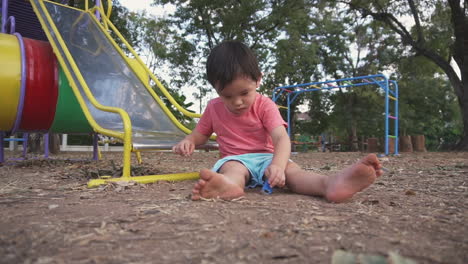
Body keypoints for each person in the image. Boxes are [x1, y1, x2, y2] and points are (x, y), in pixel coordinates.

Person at [172, 41, 383, 203]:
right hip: (235, 159)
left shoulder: (265, 105)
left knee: (294, 174)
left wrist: (278, 166)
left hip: (267, 158)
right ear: (216, 90)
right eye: (227, 96)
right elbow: (201, 134)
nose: (237, 102)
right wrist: (189, 140)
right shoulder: (213, 107)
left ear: (258, 80)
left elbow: (281, 138)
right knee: (233, 169)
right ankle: (228, 186)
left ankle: (330, 184)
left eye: (244, 93)